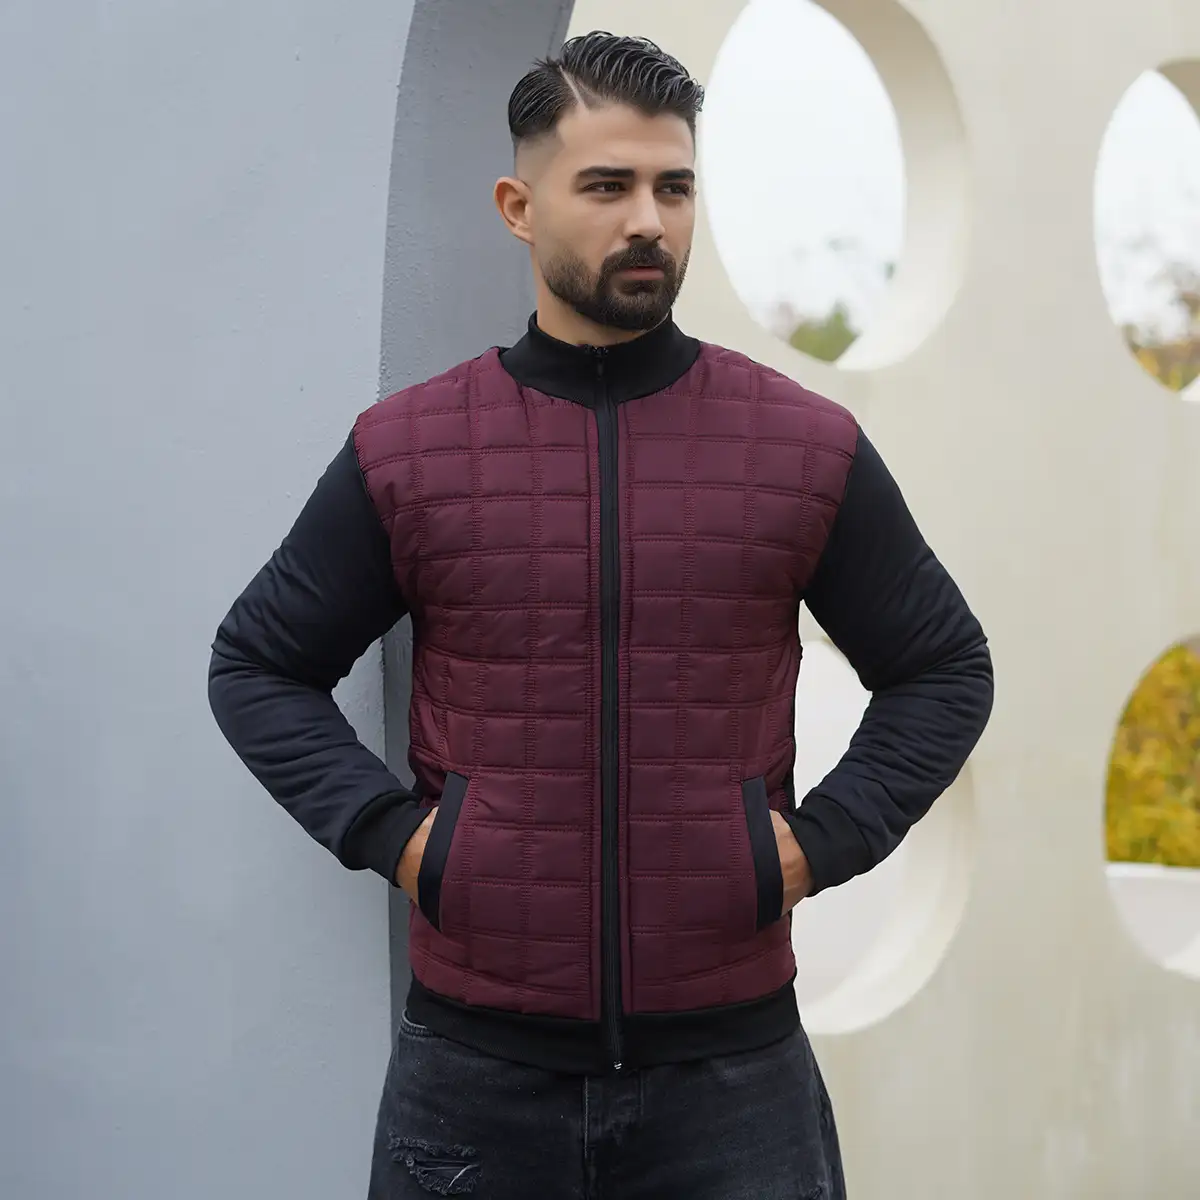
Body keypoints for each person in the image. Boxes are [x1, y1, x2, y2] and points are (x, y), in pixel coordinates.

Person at [208, 30, 994, 1199]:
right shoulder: (410, 451)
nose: (649, 222)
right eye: (608, 186)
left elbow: (942, 666)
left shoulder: (800, 446)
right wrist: (404, 841)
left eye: (675, 187)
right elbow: (258, 664)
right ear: (519, 208)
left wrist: (821, 842)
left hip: (735, 1082)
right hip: (473, 1078)